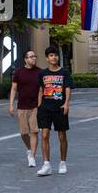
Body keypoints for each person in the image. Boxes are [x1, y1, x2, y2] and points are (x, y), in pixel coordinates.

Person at [37, 45, 72, 176]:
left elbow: (67, 88)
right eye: (51, 55)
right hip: (45, 108)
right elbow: (40, 90)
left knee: (62, 136)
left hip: (60, 108)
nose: (54, 57)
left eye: (55, 55)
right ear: (47, 58)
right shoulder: (42, 74)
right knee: (44, 135)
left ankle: (63, 162)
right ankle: (46, 164)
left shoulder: (64, 72)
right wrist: (39, 106)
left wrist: (66, 103)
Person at [9, 49, 44, 168]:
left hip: (35, 106)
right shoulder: (19, 72)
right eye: (30, 56)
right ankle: (29, 149)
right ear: (25, 59)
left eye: (35, 56)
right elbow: (14, 89)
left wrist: (39, 106)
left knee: (34, 131)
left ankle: (32, 157)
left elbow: (41, 90)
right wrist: (11, 105)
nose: (33, 58)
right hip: (22, 106)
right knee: (24, 133)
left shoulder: (40, 72)